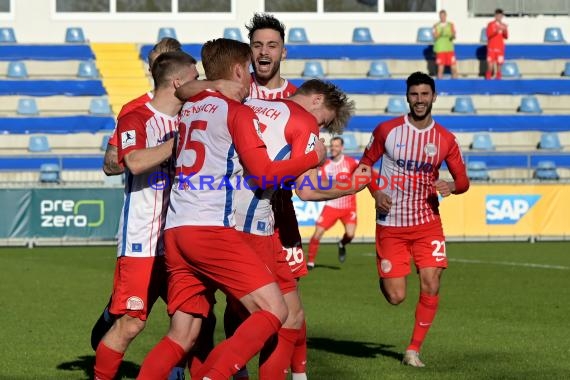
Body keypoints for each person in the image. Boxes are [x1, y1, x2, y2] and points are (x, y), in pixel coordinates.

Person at [135, 38, 327, 380]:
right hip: (209, 228)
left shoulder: (189, 107)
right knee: (275, 310)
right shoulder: (237, 112)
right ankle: (216, 375)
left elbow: (184, 91)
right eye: (248, 72)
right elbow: (265, 173)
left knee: (183, 335)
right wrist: (313, 156)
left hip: (175, 231)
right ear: (240, 71)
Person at [228, 79, 356, 379]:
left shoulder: (253, 104)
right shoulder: (303, 122)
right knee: (284, 314)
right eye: (323, 121)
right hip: (253, 221)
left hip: (222, 215)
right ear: (317, 100)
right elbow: (307, 190)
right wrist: (351, 185)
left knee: (245, 310)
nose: (319, 128)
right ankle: (225, 372)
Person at [93, 51, 199, 380]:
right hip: (143, 240)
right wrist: (177, 143)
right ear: (177, 82)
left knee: (196, 321)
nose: (200, 85)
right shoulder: (136, 118)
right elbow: (134, 162)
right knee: (132, 323)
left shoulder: (192, 119)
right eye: (195, 79)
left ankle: (178, 372)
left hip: (181, 241)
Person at [358, 72, 469, 367]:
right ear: (407, 97)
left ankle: (413, 350)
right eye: (414, 95)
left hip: (427, 222)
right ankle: (385, 271)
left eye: (425, 94)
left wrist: (451, 186)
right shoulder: (387, 131)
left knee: (431, 282)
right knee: (396, 297)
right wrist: (375, 191)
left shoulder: (445, 139)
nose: (420, 100)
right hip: (390, 223)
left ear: (434, 96)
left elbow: (463, 181)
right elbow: (364, 166)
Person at [307, 136, 359, 269]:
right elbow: (319, 183)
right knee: (317, 233)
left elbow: (365, 172)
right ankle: (310, 262)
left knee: (351, 234)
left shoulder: (351, 163)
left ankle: (342, 244)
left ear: (341, 147)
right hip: (332, 206)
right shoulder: (325, 165)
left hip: (348, 206)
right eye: (332, 145)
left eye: (336, 146)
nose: (333, 148)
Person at [432, 9, 458, 79]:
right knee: (440, 69)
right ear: (439, 16)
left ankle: (456, 86)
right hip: (440, 49)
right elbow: (434, 37)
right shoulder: (436, 26)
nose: (442, 17)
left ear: (446, 16)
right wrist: (441, 32)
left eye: (444, 16)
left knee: (454, 69)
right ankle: (439, 87)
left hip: (449, 49)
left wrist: (453, 35)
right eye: (441, 16)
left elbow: (454, 36)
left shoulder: (450, 25)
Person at [485, 8, 508, 80]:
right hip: (491, 48)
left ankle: (498, 79)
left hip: (500, 48)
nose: (499, 17)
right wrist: (497, 30)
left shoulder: (503, 25)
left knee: (499, 65)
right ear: (495, 16)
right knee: (490, 66)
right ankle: (488, 78)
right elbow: (488, 35)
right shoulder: (490, 24)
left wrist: (504, 30)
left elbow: (506, 37)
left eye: (501, 16)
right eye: (498, 15)